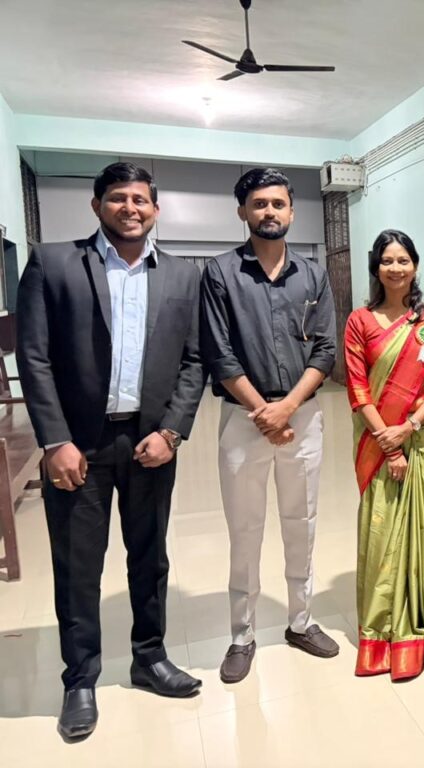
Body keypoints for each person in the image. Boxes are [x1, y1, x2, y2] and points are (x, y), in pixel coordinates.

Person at [16, 162, 205, 739]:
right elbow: (34, 357)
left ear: (156, 209)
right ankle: (80, 679)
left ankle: (150, 658)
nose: (131, 208)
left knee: (150, 557)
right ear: (97, 205)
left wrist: (171, 432)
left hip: (150, 443)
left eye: (141, 199)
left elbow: (194, 361)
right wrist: (55, 440)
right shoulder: (53, 263)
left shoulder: (182, 274)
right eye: (118, 198)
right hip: (79, 445)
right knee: (79, 566)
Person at [200, 168, 339, 684]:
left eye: (278, 203)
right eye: (259, 204)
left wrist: (288, 408)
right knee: (245, 527)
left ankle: (300, 621)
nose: (269, 212)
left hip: (302, 417)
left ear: (292, 211)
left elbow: (325, 348)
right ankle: (242, 634)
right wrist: (265, 411)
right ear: (243, 212)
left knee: (302, 521)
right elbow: (218, 351)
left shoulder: (313, 275)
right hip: (244, 418)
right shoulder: (220, 273)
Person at [343, 229, 424, 680]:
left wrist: (409, 427)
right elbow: (358, 388)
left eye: (403, 260)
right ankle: (383, 632)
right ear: (375, 268)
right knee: (383, 535)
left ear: (415, 265)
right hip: (378, 442)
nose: (395, 268)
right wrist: (389, 440)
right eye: (387, 261)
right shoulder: (360, 321)